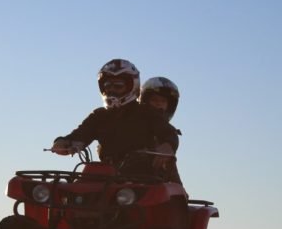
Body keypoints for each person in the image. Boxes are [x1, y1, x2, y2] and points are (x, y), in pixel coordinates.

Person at [51, 59, 179, 176]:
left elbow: (168, 133)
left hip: (143, 177)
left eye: (118, 86)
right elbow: (80, 134)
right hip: (107, 174)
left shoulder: (146, 113)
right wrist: (63, 142)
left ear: (131, 86)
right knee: (75, 192)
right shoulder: (99, 116)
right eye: (108, 86)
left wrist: (167, 145)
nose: (111, 90)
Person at [138, 76, 184, 185]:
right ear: (144, 101)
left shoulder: (165, 135)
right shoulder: (134, 125)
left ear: (169, 106)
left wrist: (179, 187)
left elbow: (171, 168)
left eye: (163, 101)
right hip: (124, 180)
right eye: (154, 100)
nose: (159, 104)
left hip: (154, 184)